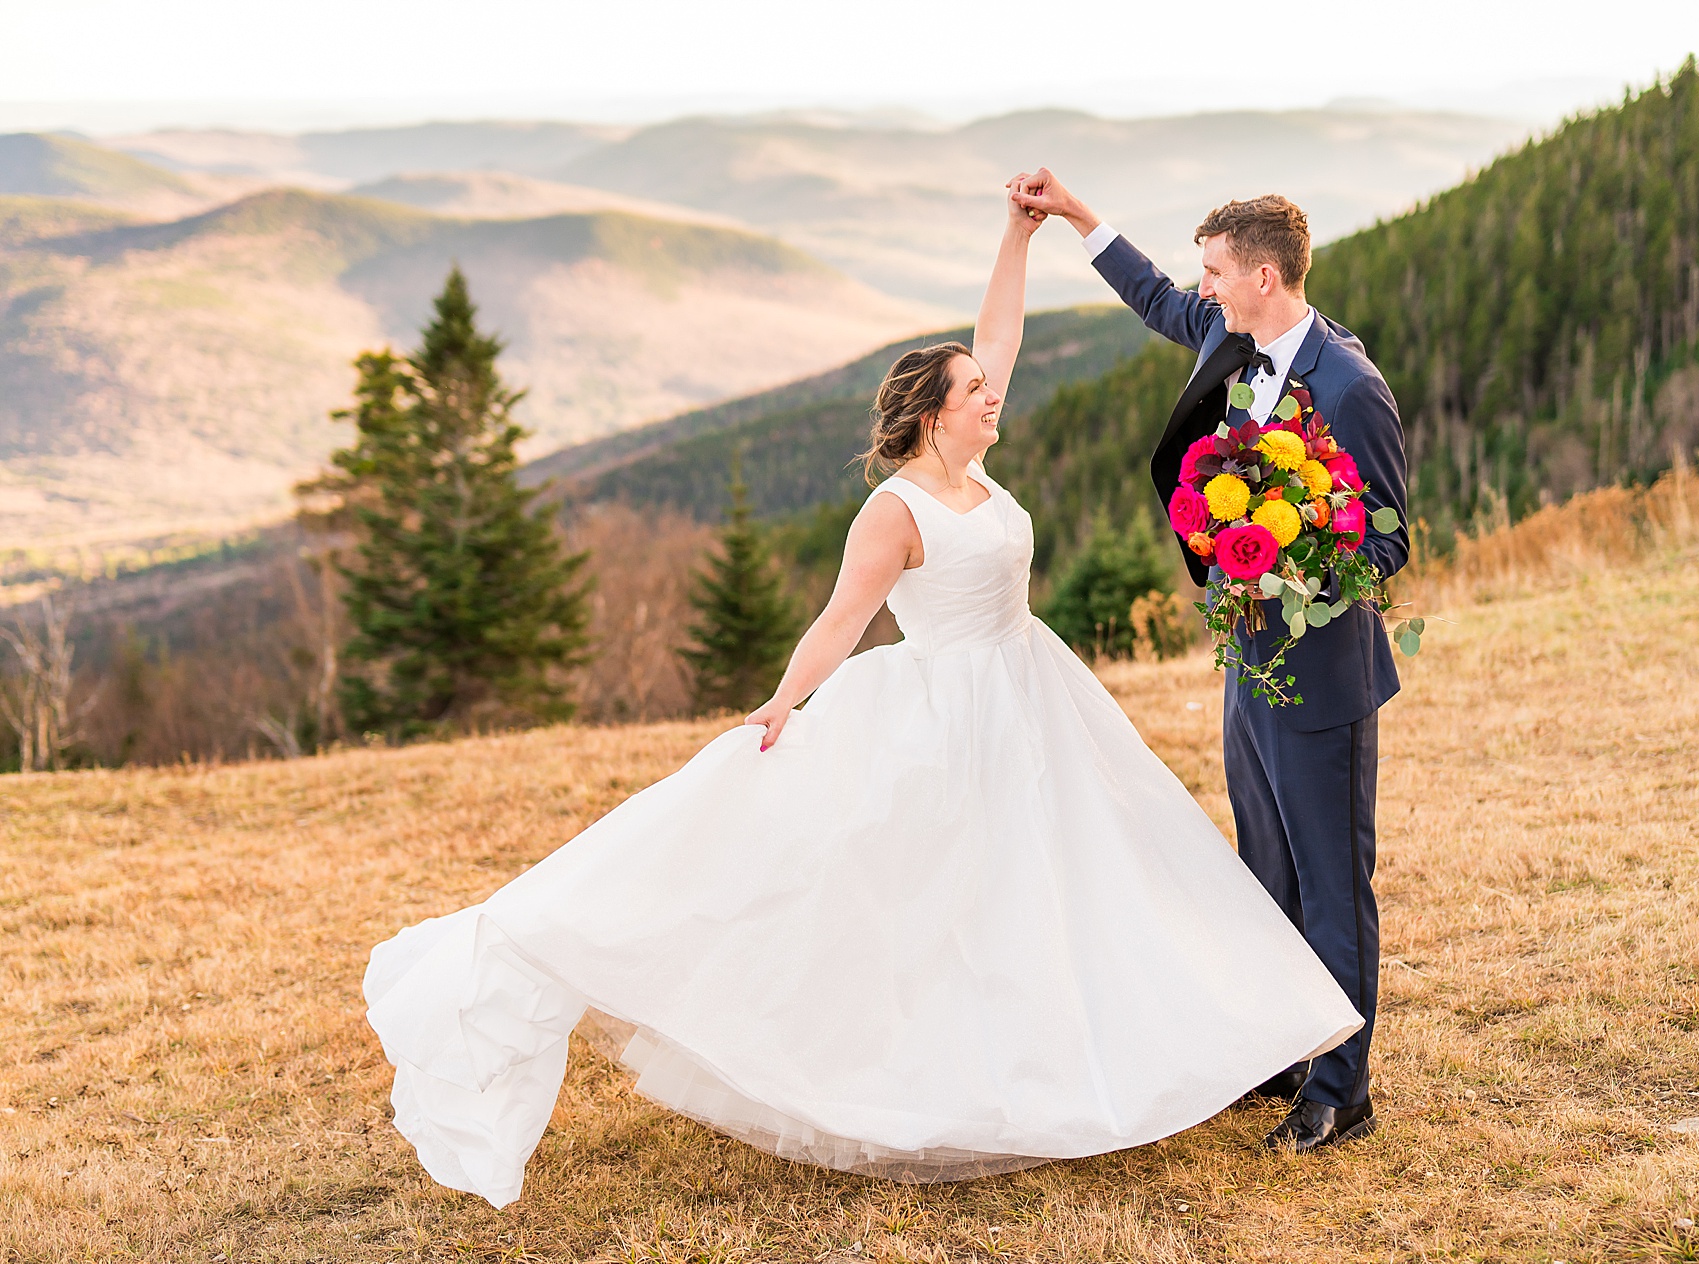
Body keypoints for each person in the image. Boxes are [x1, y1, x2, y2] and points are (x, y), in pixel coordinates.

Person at [361, 182, 1361, 1209]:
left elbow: (998, 332)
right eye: (974, 389)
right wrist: (784, 702)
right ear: (933, 415)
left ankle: (1148, 1046)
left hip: (1035, 698)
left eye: (986, 384)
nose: (992, 395)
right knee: (944, 903)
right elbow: (842, 619)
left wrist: (1021, 234)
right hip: (947, 716)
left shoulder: (975, 458)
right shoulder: (896, 509)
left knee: (1080, 883)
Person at [1011, 171, 1409, 1153]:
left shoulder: (1350, 387)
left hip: (1321, 678)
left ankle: (1339, 1088)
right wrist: (1072, 214)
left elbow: (1386, 544)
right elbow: (1152, 296)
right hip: (1247, 663)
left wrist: (1289, 559)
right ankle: (1277, 1046)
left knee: (1329, 880)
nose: (1204, 287)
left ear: (1264, 277)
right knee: (1263, 871)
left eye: (1217, 272)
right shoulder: (1230, 337)